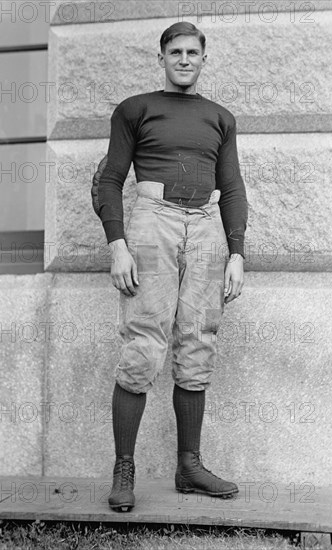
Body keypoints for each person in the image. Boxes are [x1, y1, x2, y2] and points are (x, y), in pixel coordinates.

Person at [93, 21, 248, 512]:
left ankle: (189, 466)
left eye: (192, 52)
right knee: (143, 346)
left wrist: (238, 252)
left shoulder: (221, 118)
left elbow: (235, 188)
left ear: (204, 59)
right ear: (161, 57)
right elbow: (109, 179)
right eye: (175, 52)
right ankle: (124, 469)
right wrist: (117, 244)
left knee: (197, 342)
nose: (184, 59)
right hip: (152, 223)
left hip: (205, 225)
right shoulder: (136, 109)